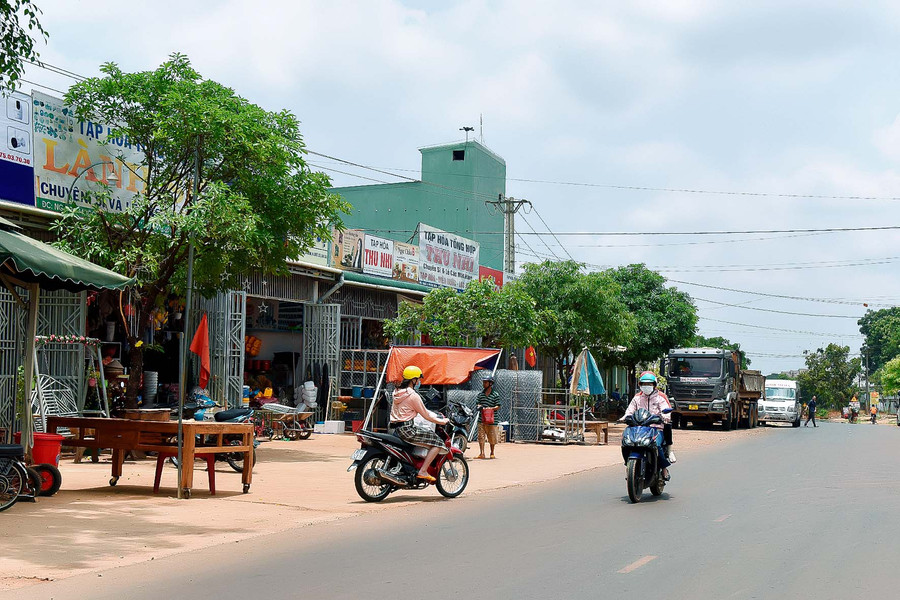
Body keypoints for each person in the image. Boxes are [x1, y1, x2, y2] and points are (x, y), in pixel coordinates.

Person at [389, 365, 449, 483]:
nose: (419, 382)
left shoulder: (396, 392)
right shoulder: (413, 396)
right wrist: (442, 421)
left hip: (396, 429)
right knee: (438, 443)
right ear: (413, 380)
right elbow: (426, 414)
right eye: (418, 379)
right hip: (408, 431)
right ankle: (423, 471)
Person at [622, 371, 675, 479]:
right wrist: (625, 417)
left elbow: (665, 409)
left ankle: (664, 468)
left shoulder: (660, 398)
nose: (647, 386)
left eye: (649, 384)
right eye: (644, 384)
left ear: (654, 385)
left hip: (655, 428)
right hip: (638, 428)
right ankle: (628, 466)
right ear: (640, 385)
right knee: (626, 443)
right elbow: (630, 411)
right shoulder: (637, 398)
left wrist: (665, 416)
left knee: (657, 446)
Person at [476, 375, 502, 459]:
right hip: (482, 419)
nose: (484, 384)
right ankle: (482, 453)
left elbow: (498, 406)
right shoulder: (481, 394)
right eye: (483, 382)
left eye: (485, 382)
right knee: (481, 436)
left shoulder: (495, 395)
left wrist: (491, 409)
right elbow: (478, 403)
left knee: (492, 436)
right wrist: (480, 407)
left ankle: (492, 452)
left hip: (492, 419)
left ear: (490, 383)